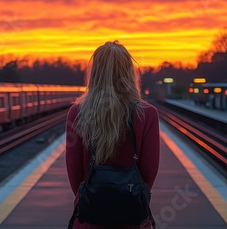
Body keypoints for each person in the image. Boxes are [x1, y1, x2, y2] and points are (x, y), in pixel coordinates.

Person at [66, 41, 160, 229]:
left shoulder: (78, 113)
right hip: (133, 220)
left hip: (89, 220)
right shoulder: (147, 114)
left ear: (95, 74)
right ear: (128, 73)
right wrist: (126, 202)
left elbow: (75, 175)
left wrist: (98, 203)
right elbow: (149, 174)